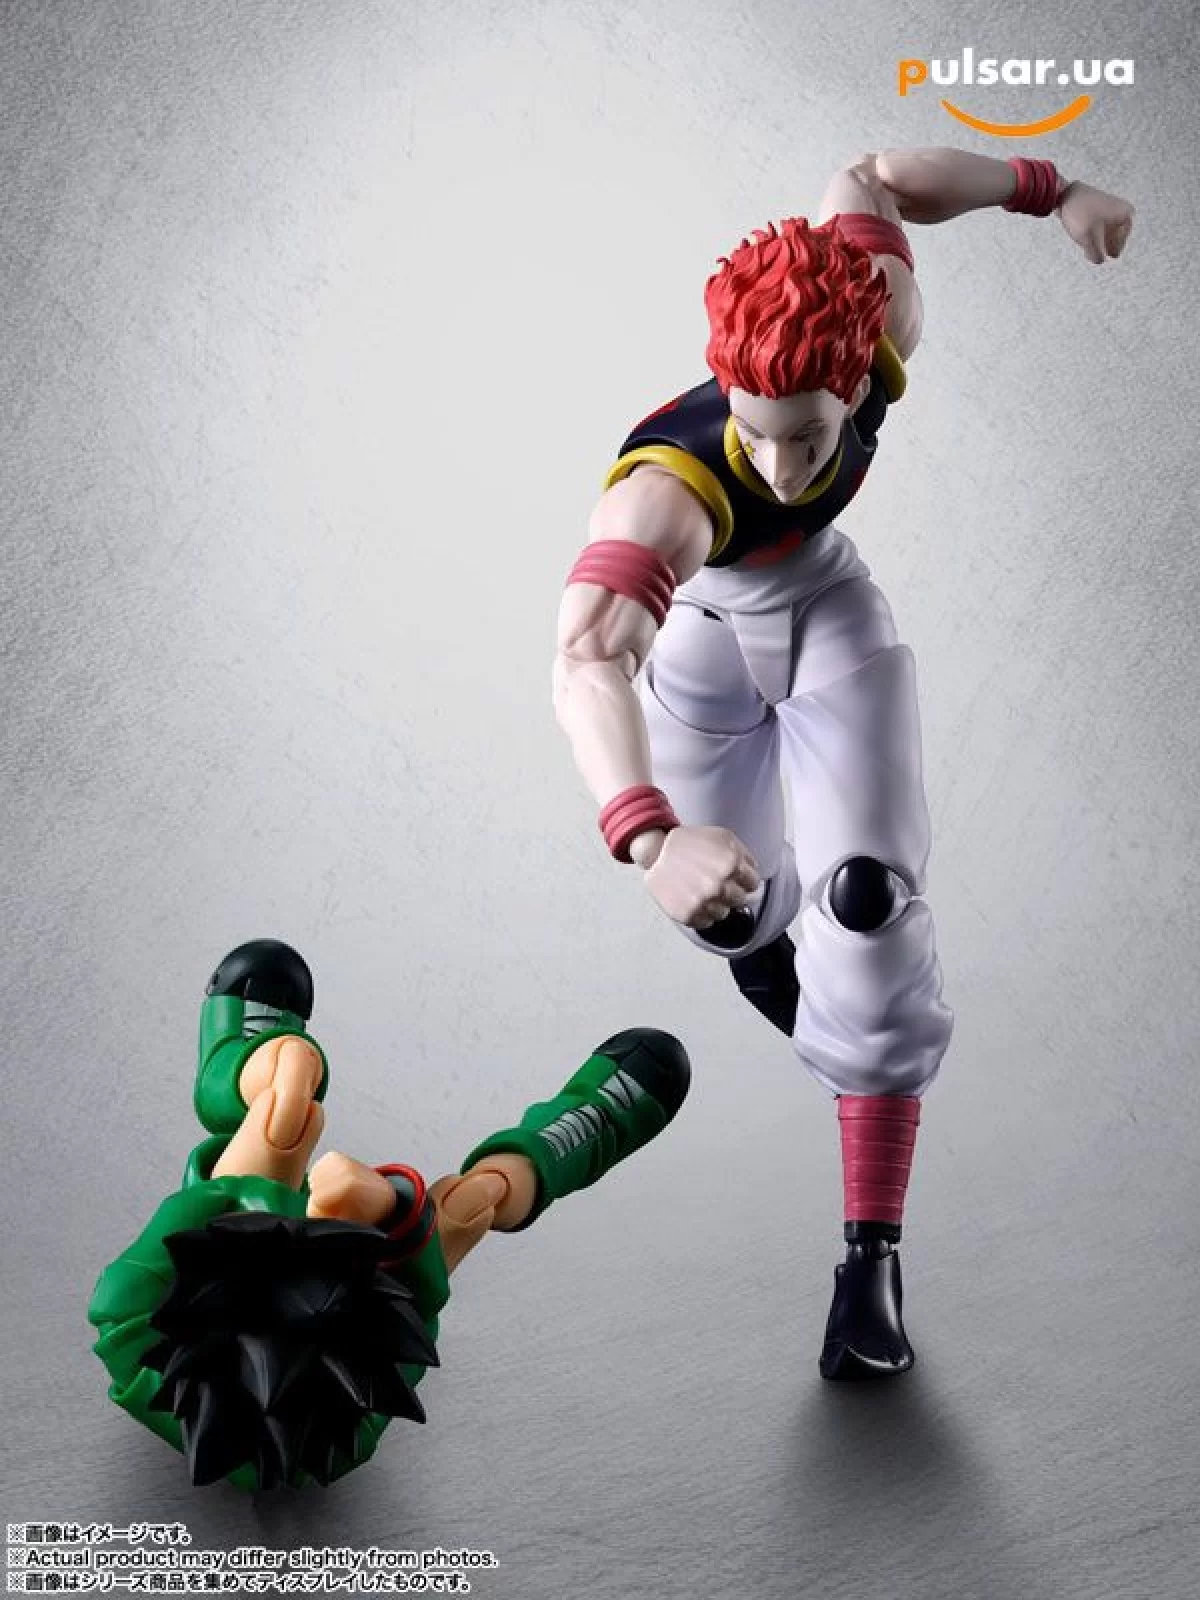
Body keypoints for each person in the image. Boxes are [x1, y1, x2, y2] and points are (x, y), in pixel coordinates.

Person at [553, 148, 1134, 1378]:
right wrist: (650, 837)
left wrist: (1054, 190)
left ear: (858, 377)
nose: (778, 467)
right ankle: (780, 967)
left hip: (826, 608)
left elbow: (874, 174)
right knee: (731, 906)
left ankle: (871, 1255)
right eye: (754, 432)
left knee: (868, 903)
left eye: (808, 435)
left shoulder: (879, 318)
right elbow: (587, 657)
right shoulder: (671, 498)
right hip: (703, 638)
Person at [89, 940, 690, 1487]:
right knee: (472, 1204)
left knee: (283, 1118)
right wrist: (393, 1217)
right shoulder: (333, 1434)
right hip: (354, 1314)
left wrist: (258, 1168)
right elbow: (404, 1339)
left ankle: (236, 1068)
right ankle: (559, 1144)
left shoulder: (133, 1320)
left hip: (229, 1249)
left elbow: (176, 1236)